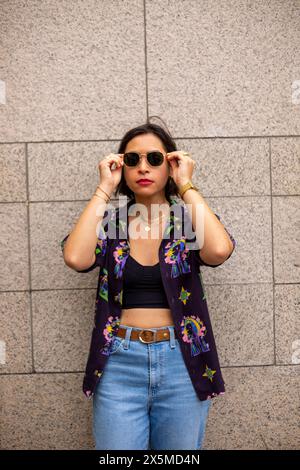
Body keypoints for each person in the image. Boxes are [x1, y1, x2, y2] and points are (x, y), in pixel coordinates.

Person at [61, 122, 236, 450]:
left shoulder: (186, 222)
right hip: (119, 363)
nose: (143, 166)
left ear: (169, 165)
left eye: (155, 158)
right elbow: (75, 257)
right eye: (132, 160)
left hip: (182, 363)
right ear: (121, 168)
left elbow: (219, 250)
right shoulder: (111, 223)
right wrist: (104, 189)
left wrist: (185, 184)